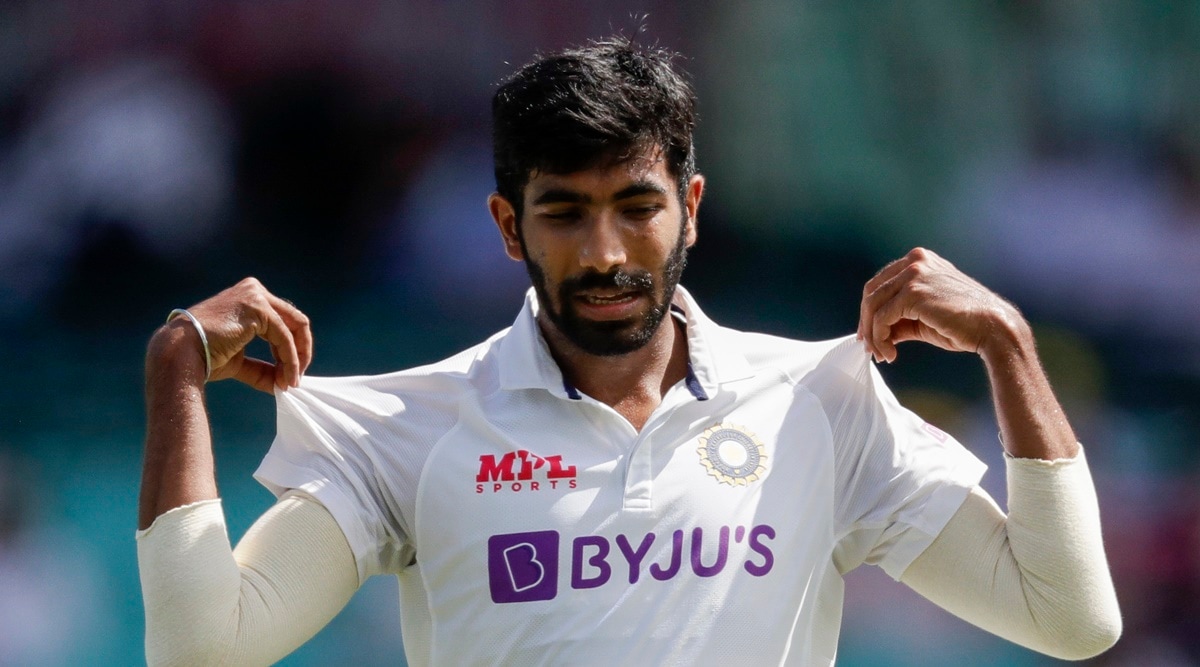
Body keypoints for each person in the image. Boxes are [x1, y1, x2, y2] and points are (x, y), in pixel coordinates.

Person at [136, 37, 1121, 665]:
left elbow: (1070, 617)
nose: (604, 253)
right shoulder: (406, 427)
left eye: (636, 207)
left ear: (690, 208)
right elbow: (201, 647)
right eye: (564, 213)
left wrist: (1012, 350)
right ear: (508, 225)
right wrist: (176, 372)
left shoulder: (824, 401)